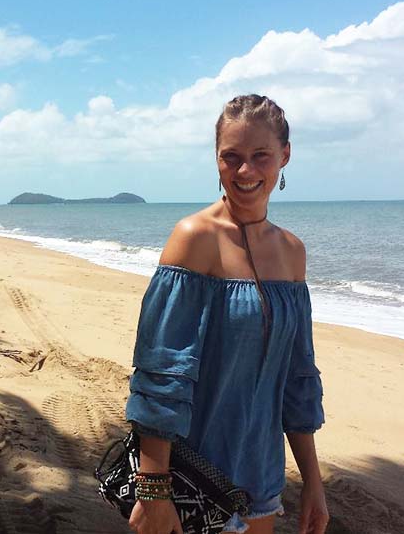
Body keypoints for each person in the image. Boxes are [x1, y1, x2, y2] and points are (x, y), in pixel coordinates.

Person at [125, 95, 328, 534]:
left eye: (260, 156)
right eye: (231, 157)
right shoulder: (194, 238)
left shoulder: (292, 252)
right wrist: (153, 488)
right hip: (189, 478)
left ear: (285, 156)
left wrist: (313, 483)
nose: (245, 171)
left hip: (260, 481)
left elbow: (297, 379)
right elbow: (162, 372)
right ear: (216, 158)